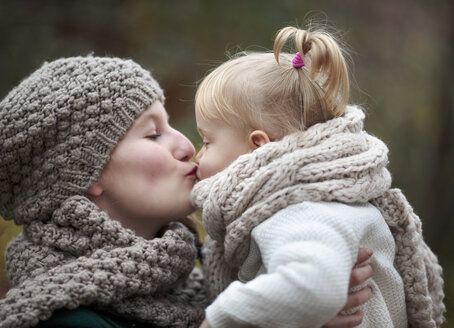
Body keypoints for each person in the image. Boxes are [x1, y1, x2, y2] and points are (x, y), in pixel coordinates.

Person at [0, 56, 374, 328]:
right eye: (153, 134)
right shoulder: (63, 318)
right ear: (85, 172)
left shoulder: (207, 284)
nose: (185, 145)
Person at [191, 26, 445, 328]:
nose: (197, 156)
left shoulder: (300, 211)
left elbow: (312, 286)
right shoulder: (321, 197)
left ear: (257, 146)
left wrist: (219, 320)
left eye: (206, 142)